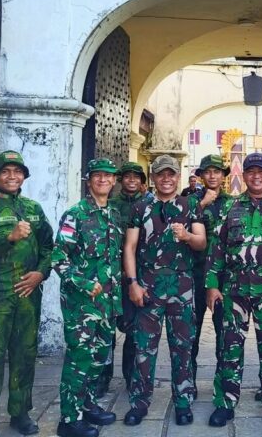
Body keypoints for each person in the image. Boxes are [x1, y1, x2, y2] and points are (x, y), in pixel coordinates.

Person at [205, 153, 262, 428]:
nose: (256, 176)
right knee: (229, 349)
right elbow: (216, 250)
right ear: (243, 176)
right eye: (251, 172)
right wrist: (212, 286)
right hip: (234, 292)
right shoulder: (230, 209)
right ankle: (225, 403)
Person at [0, 151, 54, 437]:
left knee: (24, 354)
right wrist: (8, 236)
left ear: (24, 177)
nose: (13, 176)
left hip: (28, 294)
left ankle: (20, 412)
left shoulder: (33, 208)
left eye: (18, 171)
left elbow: (48, 247)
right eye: (6, 171)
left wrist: (41, 273)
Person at [122, 155, 206, 426]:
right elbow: (130, 248)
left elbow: (202, 242)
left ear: (178, 176)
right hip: (148, 286)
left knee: (182, 347)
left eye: (171, 174)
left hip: (181, 287)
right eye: (161, 174)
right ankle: (140, 402)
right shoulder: (141, 206)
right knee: (144, 348)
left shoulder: (190, 205)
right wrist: (133, 282)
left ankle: (183, 400)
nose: (166, 179)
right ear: (154, 177)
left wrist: (187, 237)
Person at [52, 158, 123, 437]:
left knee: (100, 357)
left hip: (106, 302)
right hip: (81, 303)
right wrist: (83, 282)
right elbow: (59, 258)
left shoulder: (114, 215)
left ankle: (88, 404)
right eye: (97, 176)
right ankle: (69, 419)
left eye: (108, 176)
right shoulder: (76, 214)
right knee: (79, 357)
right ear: (89, 180)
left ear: (114, 181)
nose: (103, 180)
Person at [97, 161, 149, 395]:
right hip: (109, 274)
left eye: (136, 177)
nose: (131, 180)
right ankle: (103, 377)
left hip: (135, 274)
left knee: (133, 328)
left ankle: (131, 376)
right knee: (106, 329)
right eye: (127, 176)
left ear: (142, 182)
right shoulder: (110, 204)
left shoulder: (148, 205)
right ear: (121, 180)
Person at [188, 154, 233, 400]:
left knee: (224, 334)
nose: (213, 176)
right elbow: (178, 227)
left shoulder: (234, 203)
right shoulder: (190, 201)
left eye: (218, 171)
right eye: (208, 172)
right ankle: (188, 383)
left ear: (224, 175)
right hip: (195, 274)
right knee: (190, 333)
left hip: (224, 277)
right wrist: (202, 204)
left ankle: (223, 384)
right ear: (201, 176)